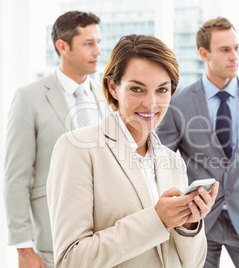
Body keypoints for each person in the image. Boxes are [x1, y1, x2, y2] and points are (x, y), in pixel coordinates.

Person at [46, 34, 219, 267]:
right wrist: (156, 220)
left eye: (162, 89)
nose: (151, 103)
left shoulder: (173, 162)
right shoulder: (78, 149)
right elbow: (71, 260)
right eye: (137, 89)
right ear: (113, 87)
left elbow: (193, 264)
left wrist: (188, 226)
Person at [157, 17, 239, 267]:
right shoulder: (178, 103)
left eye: (236, 48)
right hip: (198, 219)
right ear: (204, 53)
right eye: (225, 50)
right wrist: (178, 208)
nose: (234, 56)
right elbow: (161, 161)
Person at [4, 10, 105, 268]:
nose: (98, 52)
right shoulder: (30, 98)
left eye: (99, 43)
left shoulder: (105, 98)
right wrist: (24, 249)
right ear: (63, 46)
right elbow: (16, 178)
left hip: (104, 241)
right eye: (88, 44)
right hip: (51, 242)